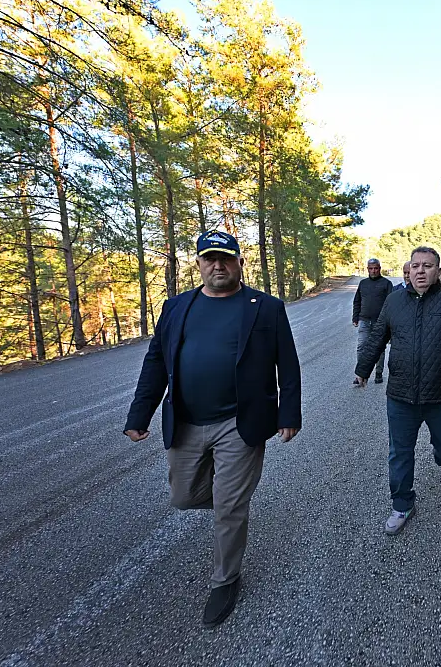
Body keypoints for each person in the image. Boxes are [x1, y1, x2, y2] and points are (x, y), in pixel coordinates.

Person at [123, 229, 302, 627]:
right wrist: (139, 415)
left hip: (241, 423)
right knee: (183, 497)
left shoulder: (265, 307)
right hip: (186, 421)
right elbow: (156, 362)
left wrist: (289, 414)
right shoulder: (176, 307)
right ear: (199, 264)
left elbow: (287, 364)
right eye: (209, 258)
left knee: (229, 507)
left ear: (240, 262)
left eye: (226, 258)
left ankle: (225, 580)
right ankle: (229, 504)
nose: (218, 265)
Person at [355, 246, 441, 535]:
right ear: (408, 270)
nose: (420, 271)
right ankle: (402, 504)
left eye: (428, 266)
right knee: (400, 452)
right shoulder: (394, 301)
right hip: (401, 395)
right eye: (416, 265)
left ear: (438, 271)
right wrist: (362, 369)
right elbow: (377, 337)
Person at [352, 258, 393, 384]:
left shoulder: (386, 284)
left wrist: (389, 321)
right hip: (364, 320)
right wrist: (355, 317)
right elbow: (357, 301)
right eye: (371, 268)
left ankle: (378, 373)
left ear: (379, 269)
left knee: (379, 347)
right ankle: (360, 374)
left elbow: (391, 303)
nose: (373, 271)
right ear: (367, 269)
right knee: (361, 347)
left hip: (380, 322)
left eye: (376, 268)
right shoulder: (363, 283)